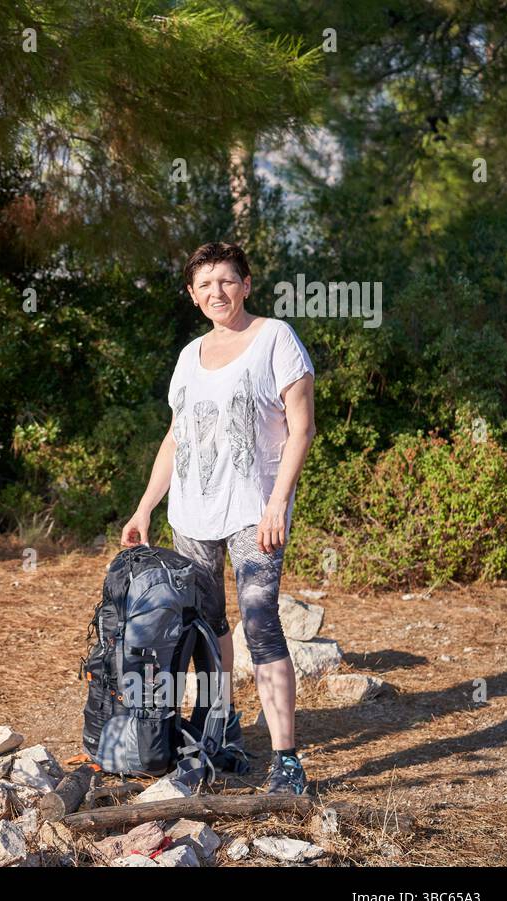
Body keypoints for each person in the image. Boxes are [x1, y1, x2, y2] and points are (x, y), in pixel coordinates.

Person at [120, 241, 317, 794]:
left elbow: (301, 427)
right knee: (203, 631)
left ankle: (287, 763)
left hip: (256, 513)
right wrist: (145, 507)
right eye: (205, 285)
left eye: (227, 281)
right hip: (192, 515)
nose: (217, 293)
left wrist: (278, 502)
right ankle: (219, 731)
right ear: (192, 295)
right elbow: (177, 437)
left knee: (260, 622)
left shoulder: (275, 338)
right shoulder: (189, 356)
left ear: (246, 284)